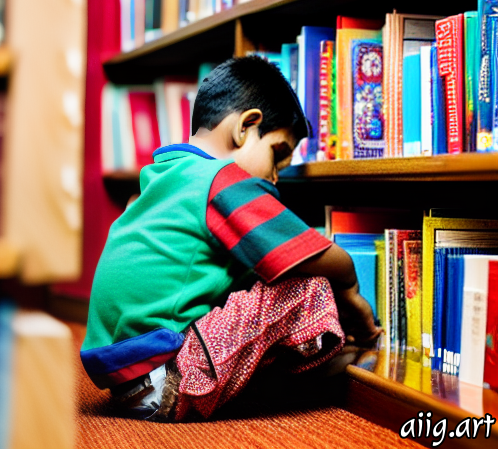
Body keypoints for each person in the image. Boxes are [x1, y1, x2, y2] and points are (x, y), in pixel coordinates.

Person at [80, 56, 381, 423]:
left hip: (130, 384)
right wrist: (349, 291)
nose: (273, 178)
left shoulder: (165, 175)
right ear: (245, 127)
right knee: (307, 285)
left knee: (254, 280)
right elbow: (308, 252)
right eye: (277, 155)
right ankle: (324, 371)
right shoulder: (220, 181)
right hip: (169, 381)